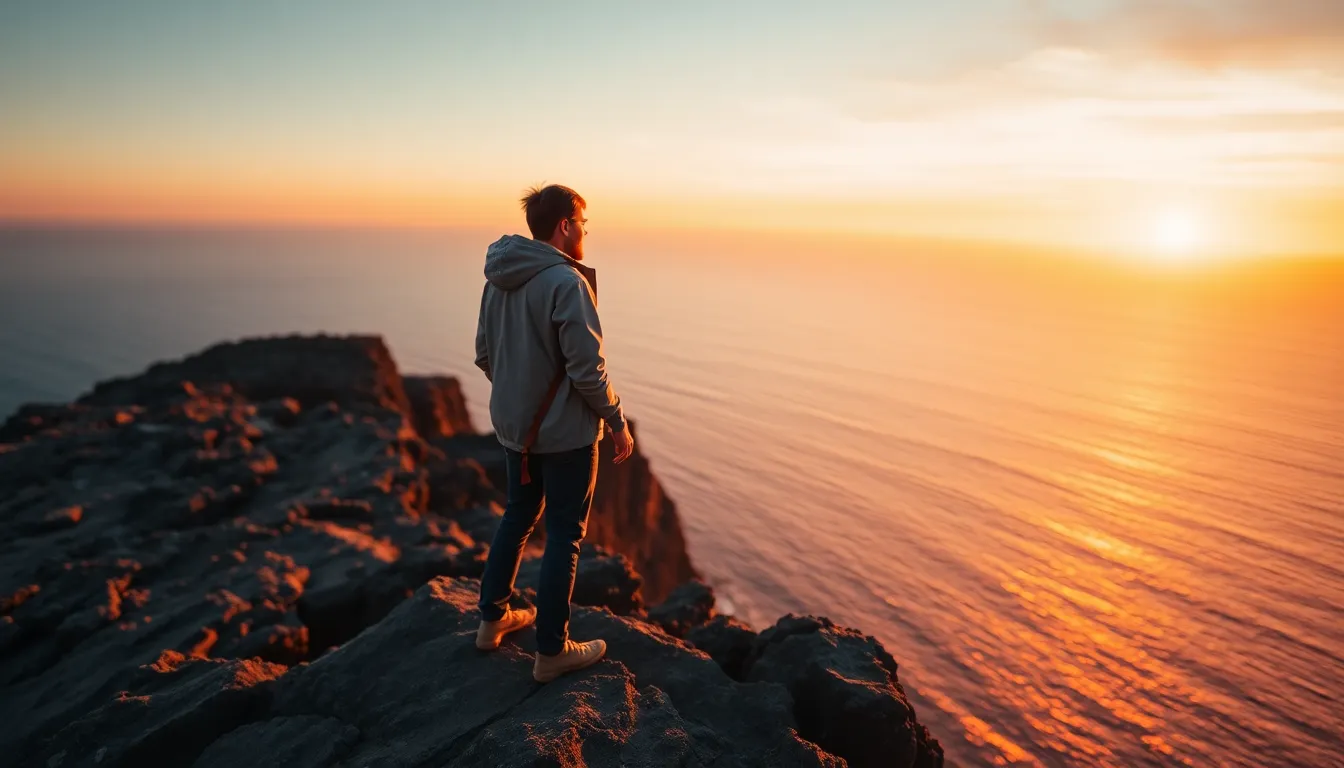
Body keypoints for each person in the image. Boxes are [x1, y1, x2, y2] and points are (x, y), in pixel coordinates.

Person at [472, 184, 635, 683]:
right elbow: (588, 370)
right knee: (565, 534)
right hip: (566, 438)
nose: (585, 231)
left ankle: (491, 620)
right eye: (583, 222)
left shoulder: (498, 277)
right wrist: (617, 421)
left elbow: (484, 354)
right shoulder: (566, 282)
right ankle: (552, 650)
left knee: (518, 516)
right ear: (565, 225)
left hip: (515, 431)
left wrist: (520, 399)